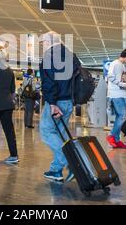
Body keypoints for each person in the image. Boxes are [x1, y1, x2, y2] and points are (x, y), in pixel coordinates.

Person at [39, 31, 81, 182]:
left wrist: (52, 103)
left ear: (49, 42)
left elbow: (49, 82)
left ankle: (72, 163)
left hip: (57, 101)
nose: (42, 45)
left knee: (46, 131)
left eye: (43, 42)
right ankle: (56, 170)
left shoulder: (49, 56)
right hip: (69, 101)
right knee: (60, 134)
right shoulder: (71, 55)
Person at [106, 49, 126, 149]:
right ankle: (111, 135)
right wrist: (122, 84)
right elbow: (110, 77)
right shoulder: (115, 63)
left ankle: (117, 140)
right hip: (116, 94)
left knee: (120, 116)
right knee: (122, 116)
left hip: (121, 94)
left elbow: (122, 78)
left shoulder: (122, 65)